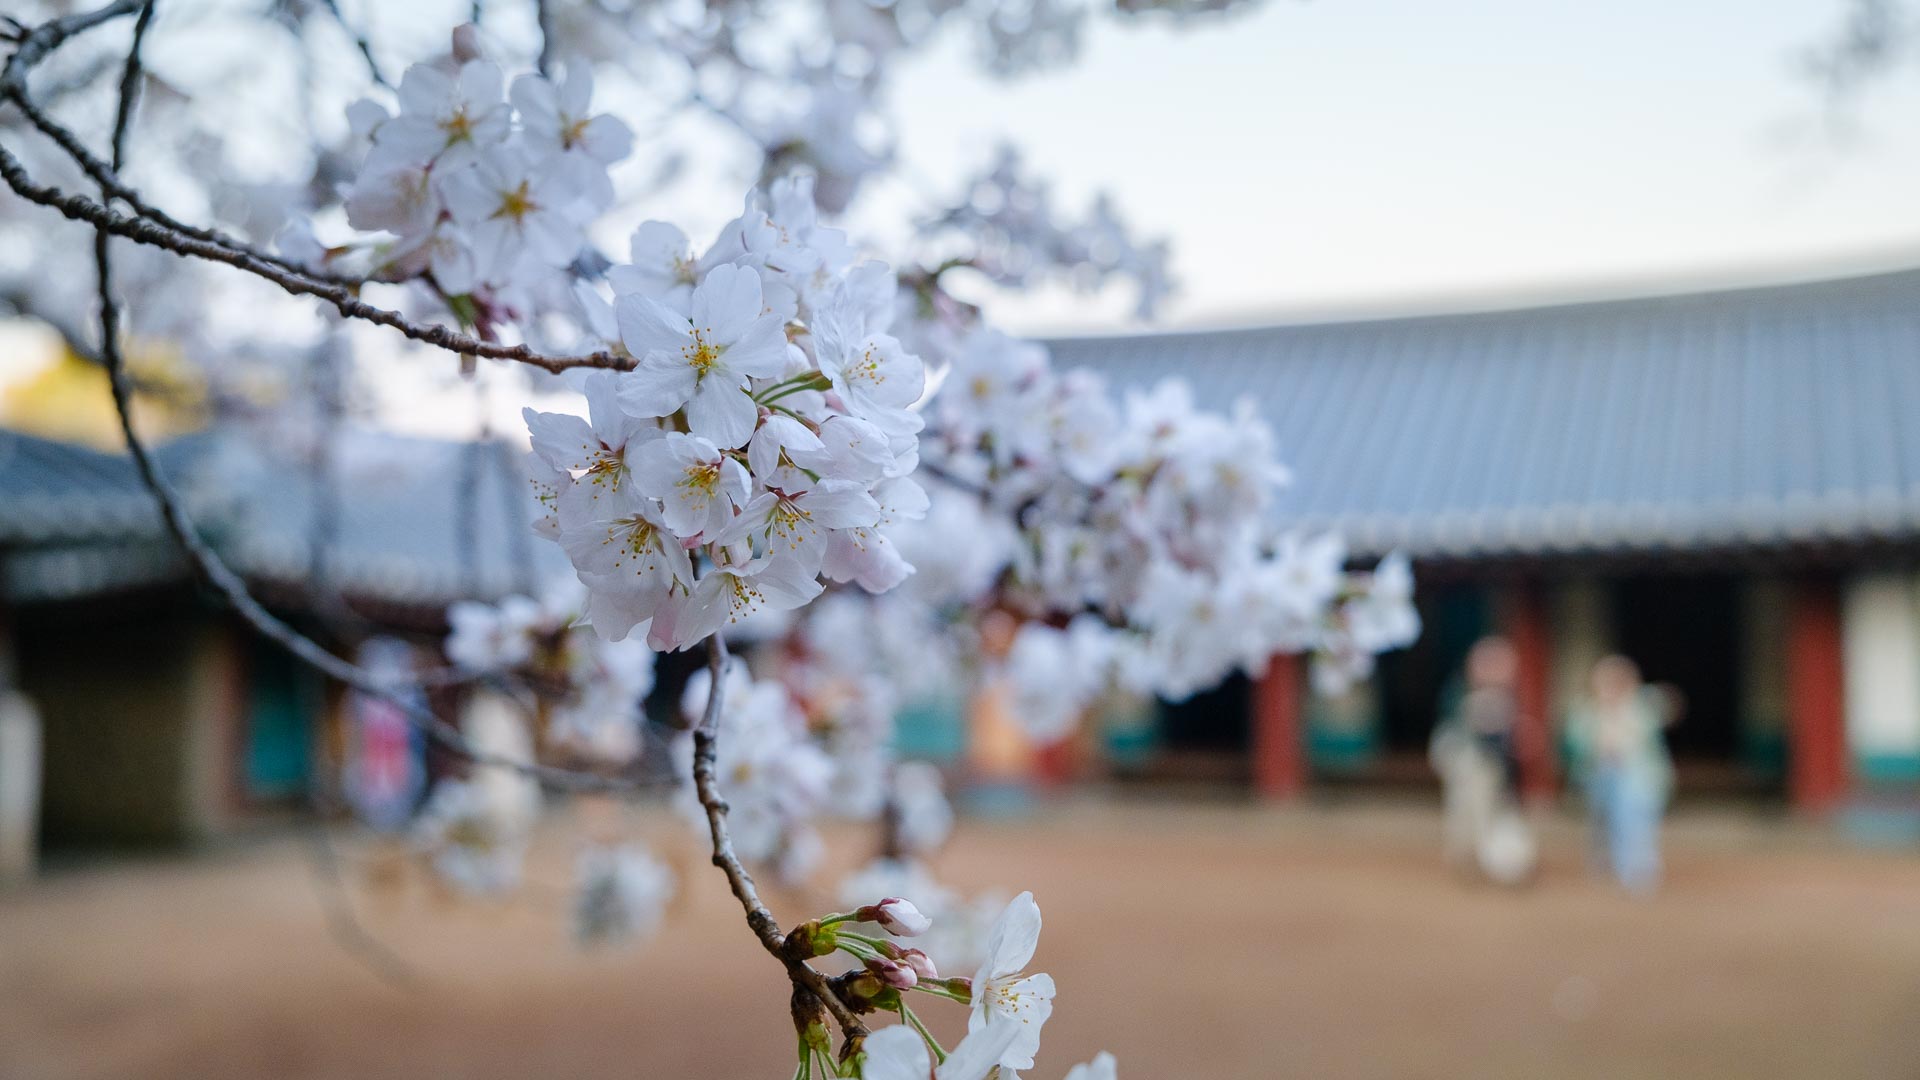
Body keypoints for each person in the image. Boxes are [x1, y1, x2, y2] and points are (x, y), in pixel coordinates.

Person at [1430, 637, 1535, 885]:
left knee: (1493, 813)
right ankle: (1473, 860)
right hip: (1471, 765)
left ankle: (1488, 860)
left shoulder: (1506, 697)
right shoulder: (1462, 695)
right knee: (1470, 814)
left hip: (1493, 768)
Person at [1566, 655, 1674, 895]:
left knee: (1635, 822)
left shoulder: (1642, 708)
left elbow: (1668, 707)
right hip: (1600, 775)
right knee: (1603, 824)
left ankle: (1639, 870)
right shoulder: (1586, 713)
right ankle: (1607, 865)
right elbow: (1576, 743)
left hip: (1636, 777)